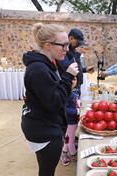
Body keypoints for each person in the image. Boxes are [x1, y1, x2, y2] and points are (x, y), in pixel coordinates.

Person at [21, 23, 79, 176]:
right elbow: (54, 102)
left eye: (67, 45)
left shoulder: (47, 63)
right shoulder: (39, 69)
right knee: (47, 171)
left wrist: (67, 85)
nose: (67, 50)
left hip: (44, 124)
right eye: (63, 45)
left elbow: (49, 93)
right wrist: (67, 77)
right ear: (48, 45)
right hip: (44, 130)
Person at [56, 28, 94, 166]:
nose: (79, 45)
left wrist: (84, 69)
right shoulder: (64, 54)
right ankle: (67, 152)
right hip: (69, 90)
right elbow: (68, 69)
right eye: (78, 42)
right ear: (71, 38)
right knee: (69, 126)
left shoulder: (71, 52)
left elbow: (76, 69)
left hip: (74, 90)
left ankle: (68, 147)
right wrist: (77, 56)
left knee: (70, 128)